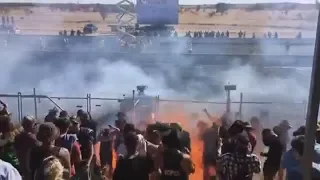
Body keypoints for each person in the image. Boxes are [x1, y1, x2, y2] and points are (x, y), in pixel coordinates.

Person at [14, 115, 41, 180]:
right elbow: (40, 146)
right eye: (34, 125)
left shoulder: (18, 136)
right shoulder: (31, 138)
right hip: (30, 167)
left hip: (21, 165)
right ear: (32, 125)